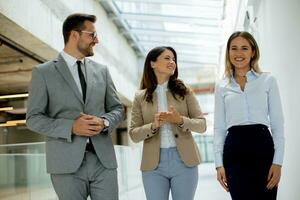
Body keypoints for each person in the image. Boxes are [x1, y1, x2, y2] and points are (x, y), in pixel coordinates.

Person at [26, 13, 124, 200]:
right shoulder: (43, 72)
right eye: (92, 35)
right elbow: (33, 118)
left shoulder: (102, 71)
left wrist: (104, 122)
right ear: (74, 35)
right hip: (65, 164)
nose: (97, 40)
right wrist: (71, 126)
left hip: (103, 162)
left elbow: (118, 109)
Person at [214, 31, 285, 200]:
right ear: (228, 53)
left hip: (263, 148)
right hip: (234, 151)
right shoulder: (221, 86)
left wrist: (278, 162)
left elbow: (277, 125)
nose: (239, 53)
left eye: (244, 48)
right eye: (234, 48)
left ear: (253, 52)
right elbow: (219, 128)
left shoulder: (268, 80)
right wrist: (219, 165)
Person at [129, 46, 206, 200]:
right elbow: (133, 134)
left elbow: (202, 125)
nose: (172, 62)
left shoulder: (185, 91)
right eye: (167, 58)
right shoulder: (140, 97)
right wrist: (153, 126)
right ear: (152, 63)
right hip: (153, 165)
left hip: (184, 161)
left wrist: (180, 120)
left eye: (173, 59)